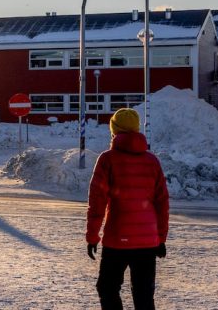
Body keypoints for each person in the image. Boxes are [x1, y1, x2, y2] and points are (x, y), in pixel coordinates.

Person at [86, 108, 169, 310]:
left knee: (107, 288)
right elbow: (162, 203)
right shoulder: (152, 161)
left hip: (117, 240)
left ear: (114, 130)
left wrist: (92, 236)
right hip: (148, 241)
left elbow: (97, 202)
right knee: (144, 295)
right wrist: (161, 238)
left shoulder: (107, 159)